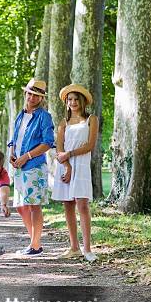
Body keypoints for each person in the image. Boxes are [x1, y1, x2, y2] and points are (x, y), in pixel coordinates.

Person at [52, 83, 99, 262]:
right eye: (69, 99)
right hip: (66, 167)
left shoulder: (91, 120)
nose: (72, 102)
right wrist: (67, 166)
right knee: (68, 205)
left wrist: (70, 155)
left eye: (75, 99)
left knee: (83, 205)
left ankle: (87, 249)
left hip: (82, 166)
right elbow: (59, 148)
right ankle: (74, 247)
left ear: (82, 101)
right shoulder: (63, 123)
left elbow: (89, 145)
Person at [9, 78, 54, 256]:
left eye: (37, 95)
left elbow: (48, 143)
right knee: (21, 207)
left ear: (42, 98)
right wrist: (12, 153)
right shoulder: (20, 115)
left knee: (34, 205)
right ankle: (34, 242)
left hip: (34, 166)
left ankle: (35, 245)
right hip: (19, 166)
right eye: (30, 93)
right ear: (25, 93)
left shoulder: (44, 117)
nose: (32, 98)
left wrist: (26, 156)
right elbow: (14, 139)